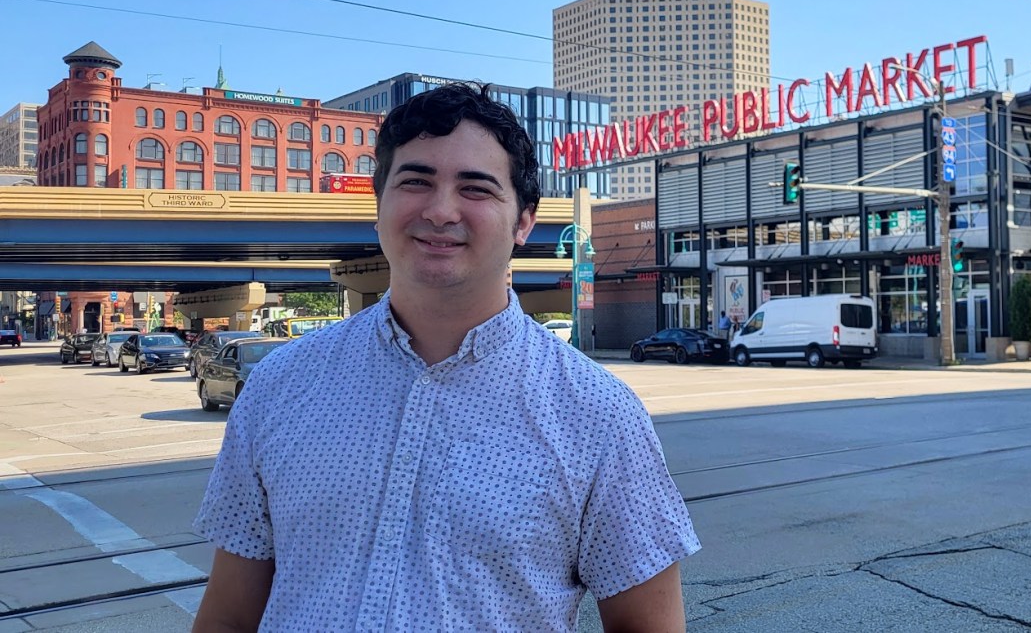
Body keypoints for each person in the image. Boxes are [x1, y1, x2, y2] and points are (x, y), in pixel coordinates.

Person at [193, 83, 699, 632]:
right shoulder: (280, 385)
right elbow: (228, 617)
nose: (439, 211)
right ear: (379, 205)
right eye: (415, 181)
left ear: (523, 221)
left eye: (475, 188)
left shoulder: (598, 415)